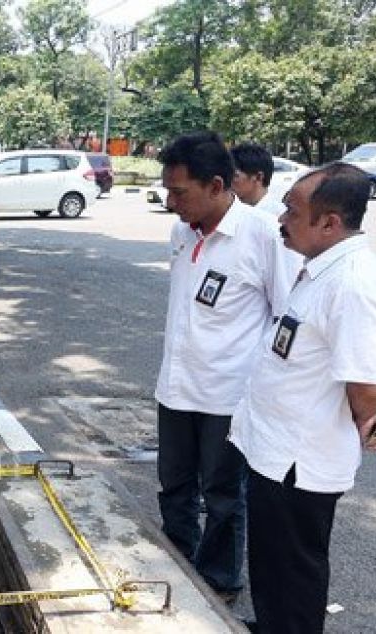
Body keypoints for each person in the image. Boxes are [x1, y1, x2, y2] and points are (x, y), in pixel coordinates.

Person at [229, 163, 376, 633]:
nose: (281, 218)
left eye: (293, 211)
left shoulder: (352, 283)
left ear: (329, 223)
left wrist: (370, 424)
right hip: (275, 451)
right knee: (271, 563)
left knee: (294, 570)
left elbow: (365, 386)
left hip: (301, 461)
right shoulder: (322, 266)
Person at [154, 131, 301, 603]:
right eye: (167, 190)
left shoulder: (262, 237)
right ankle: (176, 563)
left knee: (221, 494)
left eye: (180, 192)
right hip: (175, 387)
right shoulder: (182, 231)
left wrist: (268, 391)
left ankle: (219, 582)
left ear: (217, 186)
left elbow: (285, 317)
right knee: (174, 485)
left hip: (227, 395)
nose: (171, 201)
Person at [230, 142, 285, 215]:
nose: (227, 180)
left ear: (259, 177)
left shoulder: (279, 217)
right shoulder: (231, 211)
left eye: (234, 176)